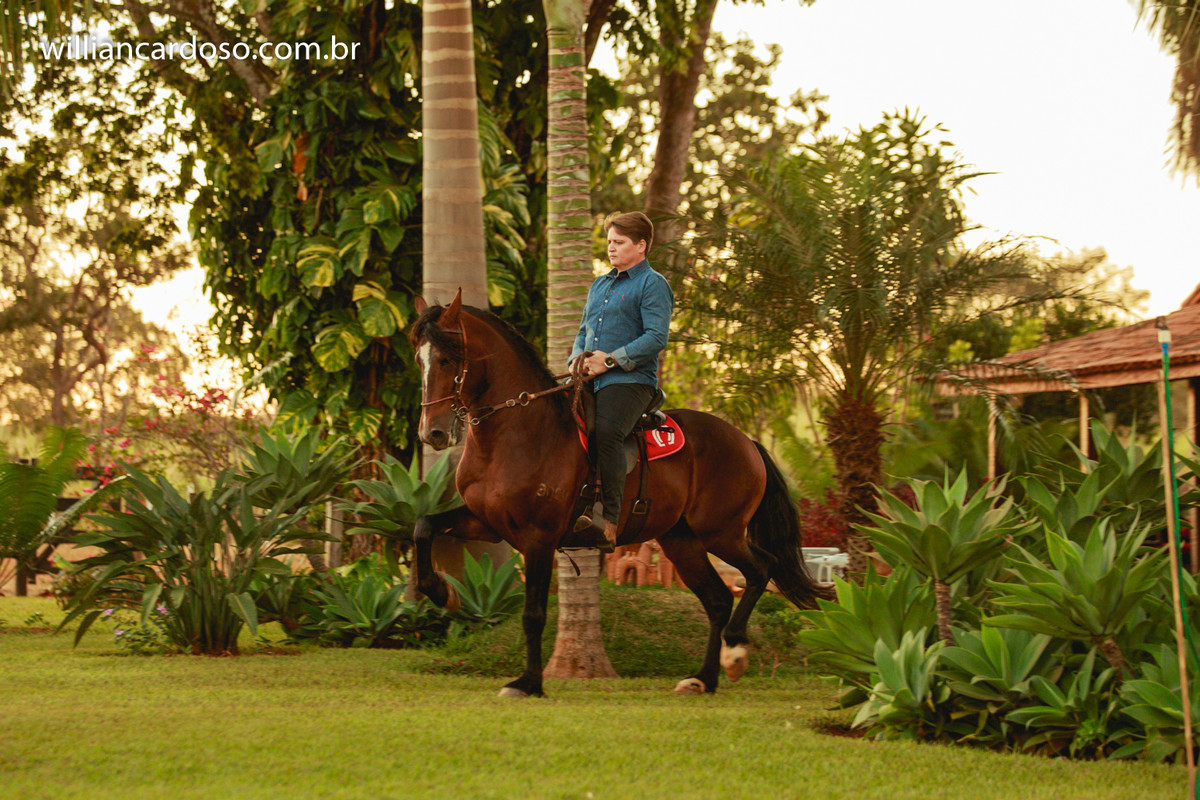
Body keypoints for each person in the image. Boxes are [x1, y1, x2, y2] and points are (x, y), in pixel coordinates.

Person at [568, 211, 675, 547]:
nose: (611, 248)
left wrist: (610, 361)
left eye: (619, 242)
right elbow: (583, 332)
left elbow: (657, 337)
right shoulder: (600, 284)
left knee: (607, 432)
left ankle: (609, 520)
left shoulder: (652, 284)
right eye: (609, 242)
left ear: (641, 246)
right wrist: (576, 360)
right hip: (589, 380)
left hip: (632, 382)